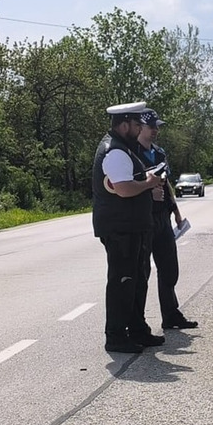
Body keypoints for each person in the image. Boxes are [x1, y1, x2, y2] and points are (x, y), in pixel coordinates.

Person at [92, 102, 168, 354]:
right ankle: (115, 335)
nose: (139, 130)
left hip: (132, 227)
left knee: (136, 281)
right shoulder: (114, 151)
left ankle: (137, 329)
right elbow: (124, 189)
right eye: (136, 125)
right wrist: (148, 184)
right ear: (123, 124)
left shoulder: (125, 148)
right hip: (120, 228)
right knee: (122, 282)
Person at [136, 109, 198, 330]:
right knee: (142, 272)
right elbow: (125, 187)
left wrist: (176, 211)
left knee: (169, 268)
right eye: (151, 126)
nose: (155, 131)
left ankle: (171, 315)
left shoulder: (159, 153)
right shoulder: (131, 153)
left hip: (163, 217)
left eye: (157, 127)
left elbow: (165, 183)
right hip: (143, 218)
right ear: (139, 127)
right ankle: (137, 322)